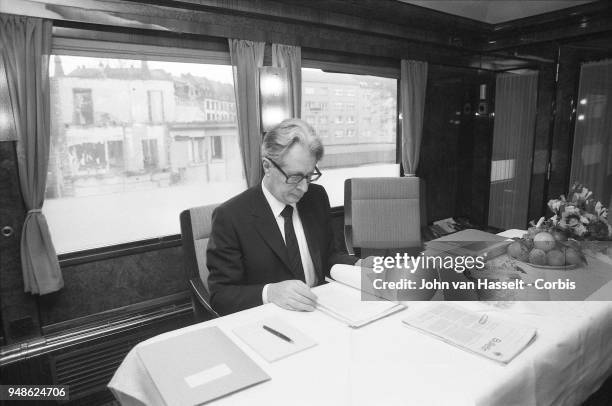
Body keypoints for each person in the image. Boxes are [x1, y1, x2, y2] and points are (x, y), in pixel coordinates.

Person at [207, 118, 361, 315]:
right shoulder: (231, 217)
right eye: (295, 177)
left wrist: (357, 264)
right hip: (272, 318)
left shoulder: (316, 197)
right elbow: (221, 296)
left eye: (309, 176)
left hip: (323, 308)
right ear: (267, 166)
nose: (304, 188)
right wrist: (270, 292)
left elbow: (328, 255)